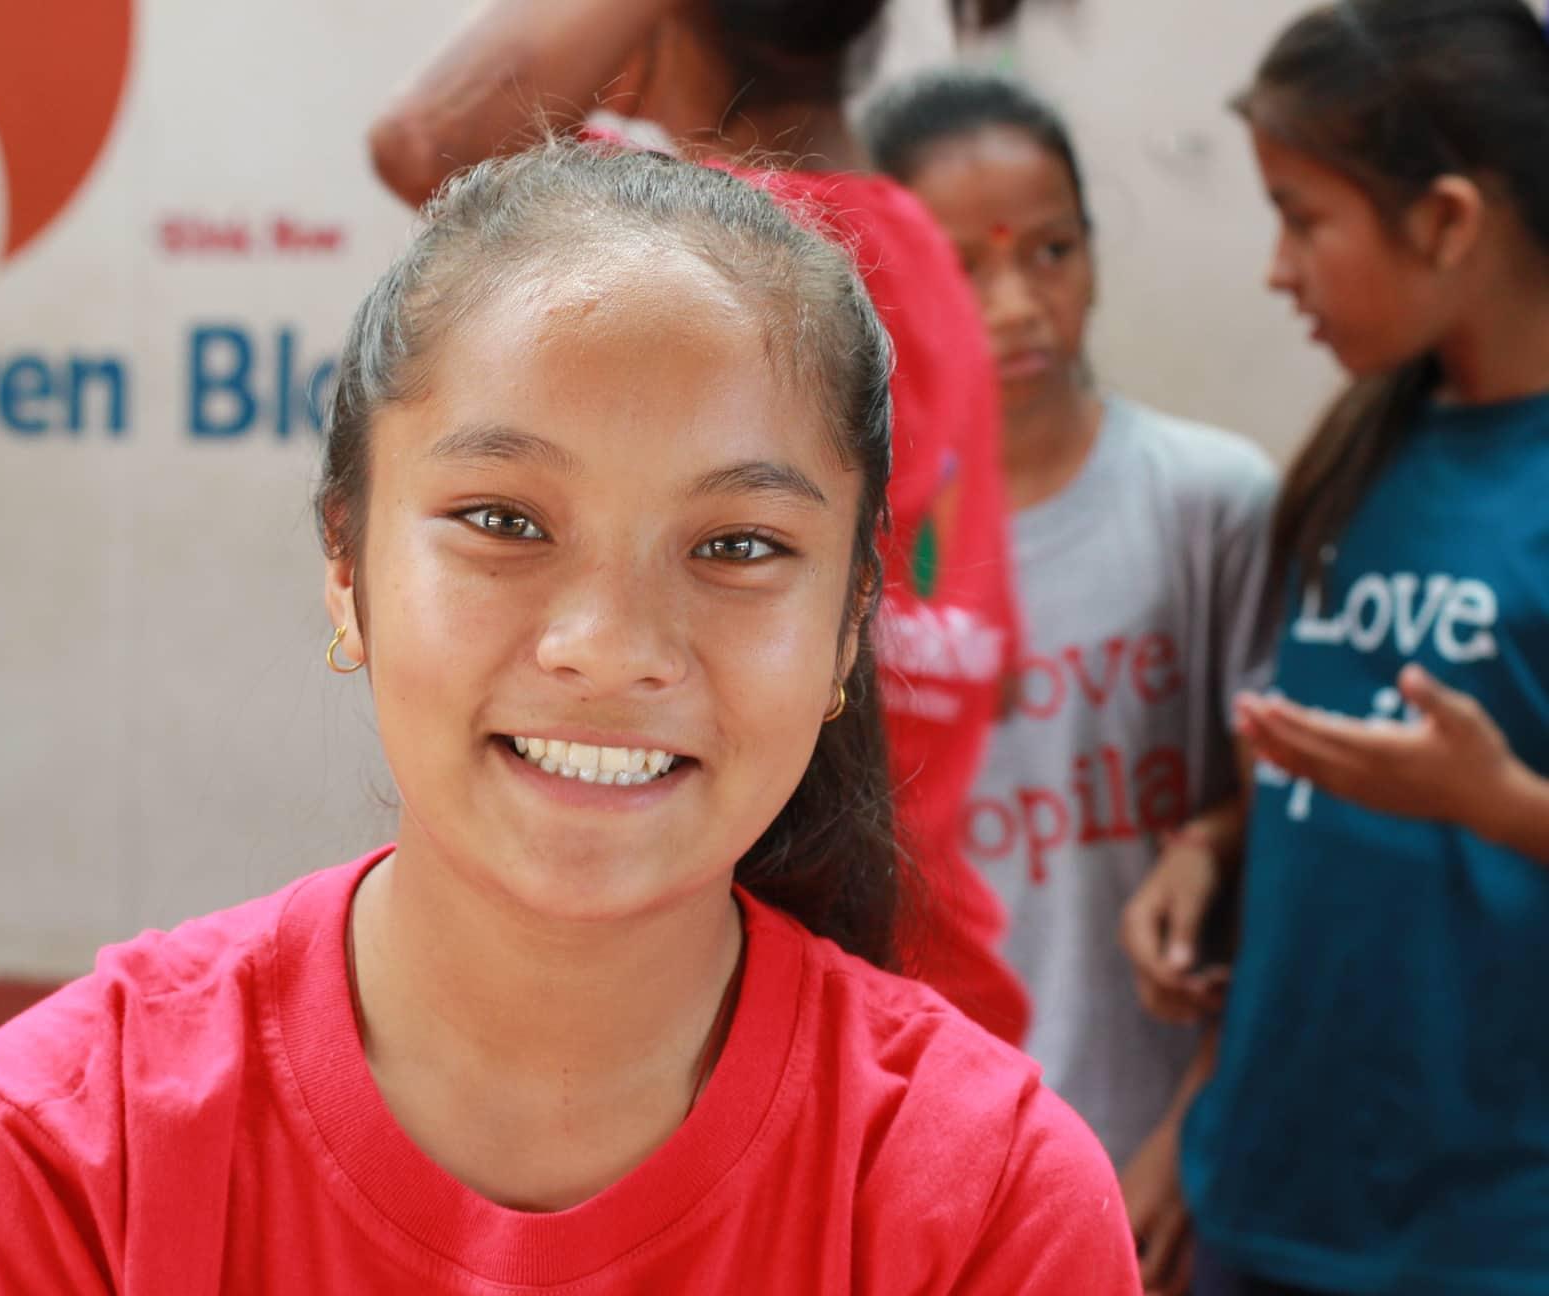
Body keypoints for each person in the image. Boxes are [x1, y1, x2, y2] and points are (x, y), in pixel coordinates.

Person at [0, 141, 1138, 1293]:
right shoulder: (62, 1153)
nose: (611, 648)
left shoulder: (993, 1209)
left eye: (739, 544)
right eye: (503, 522)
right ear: (346, 567)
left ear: (849, 627)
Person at [369, 0, 1035, 1046]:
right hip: (928, 1000)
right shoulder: (917, 260)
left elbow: (425, 144)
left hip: (769, 1027)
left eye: (735, 547)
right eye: (504, 521)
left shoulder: (700, 269)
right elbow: (996, 678)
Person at [1116, 3, 1549, 1292]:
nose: (1276, 268)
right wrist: (1213, 844)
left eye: (1304, 218)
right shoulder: (1363, 451)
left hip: (1470, 1237)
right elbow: (1338, 757)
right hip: (1263, 1190)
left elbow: (1454, 786)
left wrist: (1499, 803)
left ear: (1450, 222)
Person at [863, 71, 1277, 1296]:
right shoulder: (846, 544)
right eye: (964, 266)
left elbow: (1289, 835)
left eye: (1051, 251)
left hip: (1173, 1161)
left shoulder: (1209, 502)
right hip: (934, 1164)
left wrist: (1188, 1136)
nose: (1017, 304)